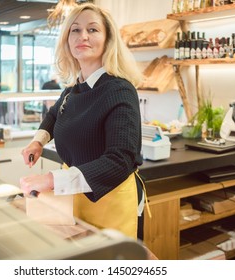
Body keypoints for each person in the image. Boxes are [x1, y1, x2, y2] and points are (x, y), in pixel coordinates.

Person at [20, 3, 146, 240]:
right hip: (74, 194)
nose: (83, 36)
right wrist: (38, 141)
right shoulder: (73, 88)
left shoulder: (119, 90)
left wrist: (50, 179)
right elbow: (54, 115)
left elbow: (120, 160)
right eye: (75, 30)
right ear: (67, 40)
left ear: (108, 39)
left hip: (111, 200)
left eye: (93, 29)